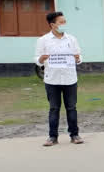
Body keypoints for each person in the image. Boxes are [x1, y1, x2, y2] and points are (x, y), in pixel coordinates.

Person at [35, 11, 84, 147]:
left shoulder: (72, 39)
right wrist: (41, 59)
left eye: (64, 22)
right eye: (61, 22)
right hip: (52, 80)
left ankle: (74, 135)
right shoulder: (43, 40)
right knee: (54, 109)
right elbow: (37, 60)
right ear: (52, 25)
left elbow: (79, 56)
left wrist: (78, 58)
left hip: (70, 79)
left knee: (71, 108)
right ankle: (52, 137)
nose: (64, 24)